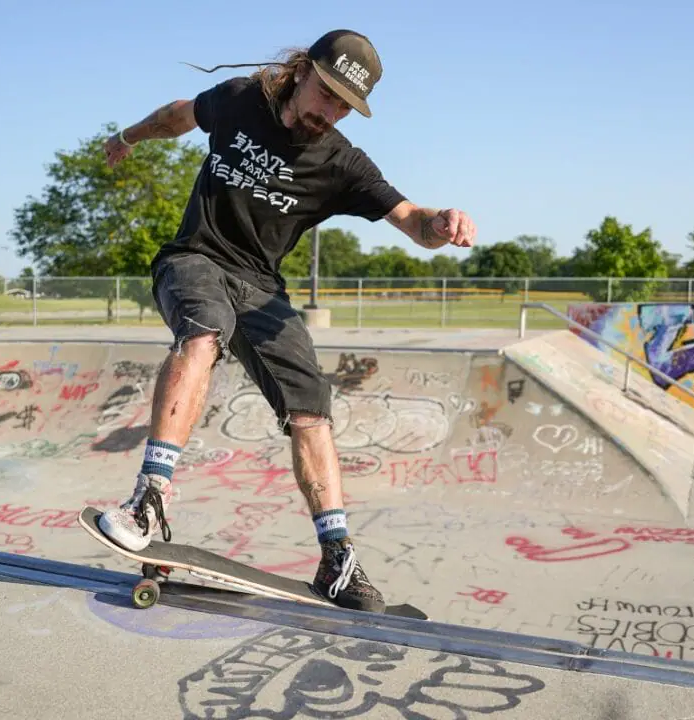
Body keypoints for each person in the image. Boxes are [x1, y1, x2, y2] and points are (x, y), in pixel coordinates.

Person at [95, 29, 476, 614]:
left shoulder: (343, 163)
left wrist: (441, 223)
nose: (331, 113)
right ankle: (147, 499)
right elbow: (178, 116)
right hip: (194, 259)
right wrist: (128, 137)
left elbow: (409, 218)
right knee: (203, 334)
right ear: (301, 72)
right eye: (327, 95)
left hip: (261, 289)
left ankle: (336, 558)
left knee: (311, 408)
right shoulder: (241, 97)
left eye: (345, 106)